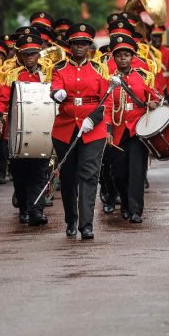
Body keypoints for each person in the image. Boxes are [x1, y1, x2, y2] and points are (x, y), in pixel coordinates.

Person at [50, 22, 110, 240]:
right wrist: (56, 94)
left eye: (84, 44)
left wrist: (93, 119)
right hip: (65, 128)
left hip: (93, 129)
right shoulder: (59, 68)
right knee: (68, 177)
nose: (79, 48)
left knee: (89, 175)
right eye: (75, 44)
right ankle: (71, 220)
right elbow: (55, 87)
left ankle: (86, 224)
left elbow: (107, 99)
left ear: (89, 46)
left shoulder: (99, 69)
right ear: (70, 46)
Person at [0, 34, 53, 226]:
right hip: (18, 131)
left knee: (40, 171)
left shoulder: (48, 73)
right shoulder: (11, 74)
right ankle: (24, 208)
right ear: (19, 54)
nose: (30, 58)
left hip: (42, 131)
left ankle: (37, 210)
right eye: (26, 54)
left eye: (33, 54)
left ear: (39, 54)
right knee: (20, 173)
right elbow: (2, 98)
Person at [104, 34, 160, 223]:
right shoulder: (108, 79)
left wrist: (153, 102)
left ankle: (136, 210)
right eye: (119, 55)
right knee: (118, 172)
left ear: (132, 57)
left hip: (138, 129)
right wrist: (108, 130)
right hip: (118, 130)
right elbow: (106, 106)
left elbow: (155, 97)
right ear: (114, 58)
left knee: (137, 171)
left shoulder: (143, 76)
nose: (123, 58)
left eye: (126, 55)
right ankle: (126, 203)